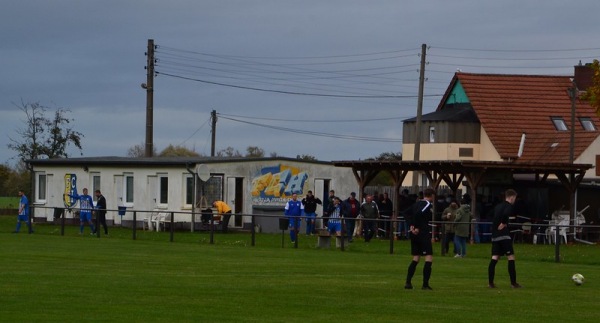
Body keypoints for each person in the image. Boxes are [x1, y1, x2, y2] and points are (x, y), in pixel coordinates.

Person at [488, 189, 521, 289]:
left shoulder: (498, 206)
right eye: (514, 198)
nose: (514, 200)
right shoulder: (508, 206)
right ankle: (513, 283)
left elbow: (490, 214)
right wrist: (503, 223)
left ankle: (490, 283)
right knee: (511, 257)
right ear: (512, 197)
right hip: (504, 236)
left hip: (495, 236)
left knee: (494, 258)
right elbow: (506, 213)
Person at [405, 188, 435, 290]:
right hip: (422, 233)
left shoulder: (416, 203)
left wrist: (411, 225)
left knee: (416, 258)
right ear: (431, 195)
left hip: (415, 234)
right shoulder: (427, 204)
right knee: (429, 257)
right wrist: (416, 226)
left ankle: (408, 283)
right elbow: (418, 214)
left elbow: (406, 213)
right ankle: (425, 285)